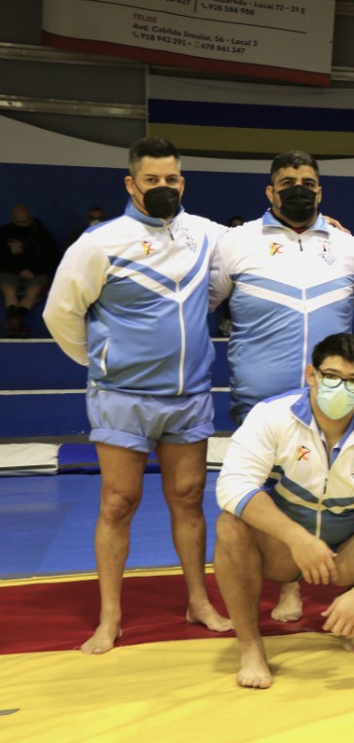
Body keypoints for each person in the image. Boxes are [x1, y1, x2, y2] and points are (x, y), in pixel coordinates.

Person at [43, 137, 232, 654]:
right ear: (132, 184)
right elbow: (59, 312)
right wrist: (100, 363)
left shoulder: (206, 234)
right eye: (152, 180)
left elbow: (259, 241)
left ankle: (198, 601)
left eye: (171, 179)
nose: (163, 187)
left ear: (182, 182)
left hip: (189, 395)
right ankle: (110, 618)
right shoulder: (99, 242)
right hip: (122, 397)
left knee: (189, 498)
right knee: (118, 502)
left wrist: (329, 227)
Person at [209, 150, 354, 624]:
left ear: (320, 192)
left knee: (334, 491)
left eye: (307, 182)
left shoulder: (347, 247)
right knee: (268, 497)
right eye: (287, 182)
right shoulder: (236, 242)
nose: (298, 189)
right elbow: (203, 301)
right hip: (259, 401)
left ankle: (352, 582)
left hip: (331, 403)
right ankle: (289, 587)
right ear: (270, 191)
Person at [213, 333, 354, 689]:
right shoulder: (272, 415)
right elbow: (233, 485)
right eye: (331, 376)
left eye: (352, 381)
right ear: (311, 375)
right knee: (230, 525)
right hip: (285, 549)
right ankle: (250, 647)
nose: (340, 388)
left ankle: (351, 608)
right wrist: (298, 539)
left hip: (347, 550)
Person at [1, 203, 59, 337]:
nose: (22, 225)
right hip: (10, 271)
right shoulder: (4, 233)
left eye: (25, 222)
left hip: (36, 273)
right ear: (13, 219)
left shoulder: (43, 235)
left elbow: (51, 259)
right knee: (9, 290)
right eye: (18, 222)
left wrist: (34, 271)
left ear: (30, 218)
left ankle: (15, 320)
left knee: (33, 291)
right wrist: (11, 253)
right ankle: (16, 321)